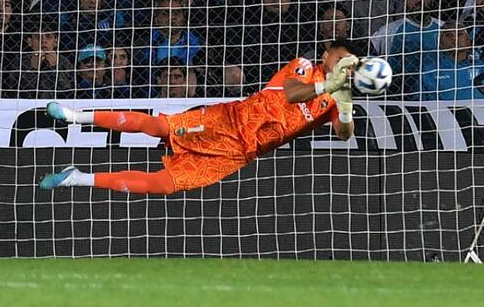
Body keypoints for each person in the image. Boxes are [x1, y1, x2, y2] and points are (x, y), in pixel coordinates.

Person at [39, 40, 362, 195]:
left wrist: (343, 99)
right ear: (326, 56)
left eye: (349, 62)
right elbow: (292, 93)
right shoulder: (304, 67)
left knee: (164, 185)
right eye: (339, 58)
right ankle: (75, 115)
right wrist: (330, 85)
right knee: (157, 126)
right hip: (229, 120)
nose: (343, 65)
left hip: (239, 152)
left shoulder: (335, 98)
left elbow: (344, 134)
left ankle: (76, 177)